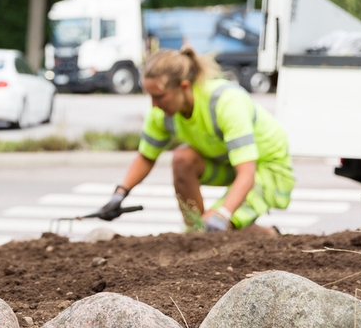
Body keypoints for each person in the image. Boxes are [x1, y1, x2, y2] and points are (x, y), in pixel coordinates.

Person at [99, 47, 293, 234]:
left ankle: (262, 235)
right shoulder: (162, 112)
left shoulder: (225, 102)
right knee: (182, 159)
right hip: (230, 164)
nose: (154, 104)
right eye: (150, 96)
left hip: (267, 168)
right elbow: (146, 157)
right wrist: (119, 194)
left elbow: (246, 172)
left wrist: (221, 216)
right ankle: (198, 231)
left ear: (184, 87)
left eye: (159, 96)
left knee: (214, 226)